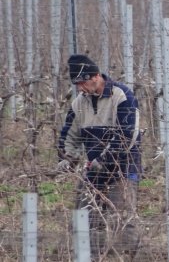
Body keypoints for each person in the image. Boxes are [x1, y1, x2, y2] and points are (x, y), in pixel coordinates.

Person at [56, 54, 142, 258]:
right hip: (92, 172)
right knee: (83, 219)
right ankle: (89, 257)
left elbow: (126, 137)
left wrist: (103, 161)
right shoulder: (79, 103)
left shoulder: (123, 96)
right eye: (76, 84)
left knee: (121, 221)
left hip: (122, 170)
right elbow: (69, 134)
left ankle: (126, 257)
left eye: (82, 83)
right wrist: (66, 157)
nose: (79, 88)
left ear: (95, 77)